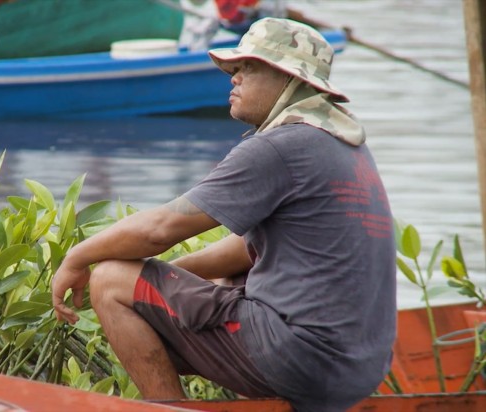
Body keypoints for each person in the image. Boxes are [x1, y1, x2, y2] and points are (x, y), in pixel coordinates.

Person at [51, 17, 396, 412]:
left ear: (288, 79)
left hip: (301, 359)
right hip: (360, 367)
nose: (233, 79)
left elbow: (160, 229)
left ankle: (167, 409)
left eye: (248, 68)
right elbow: (243, 249)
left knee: (110, 280)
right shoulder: (342, 144)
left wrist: (77, 258)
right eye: (234, 70)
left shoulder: (280, 147)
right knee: (220, 277)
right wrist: (164, 281)